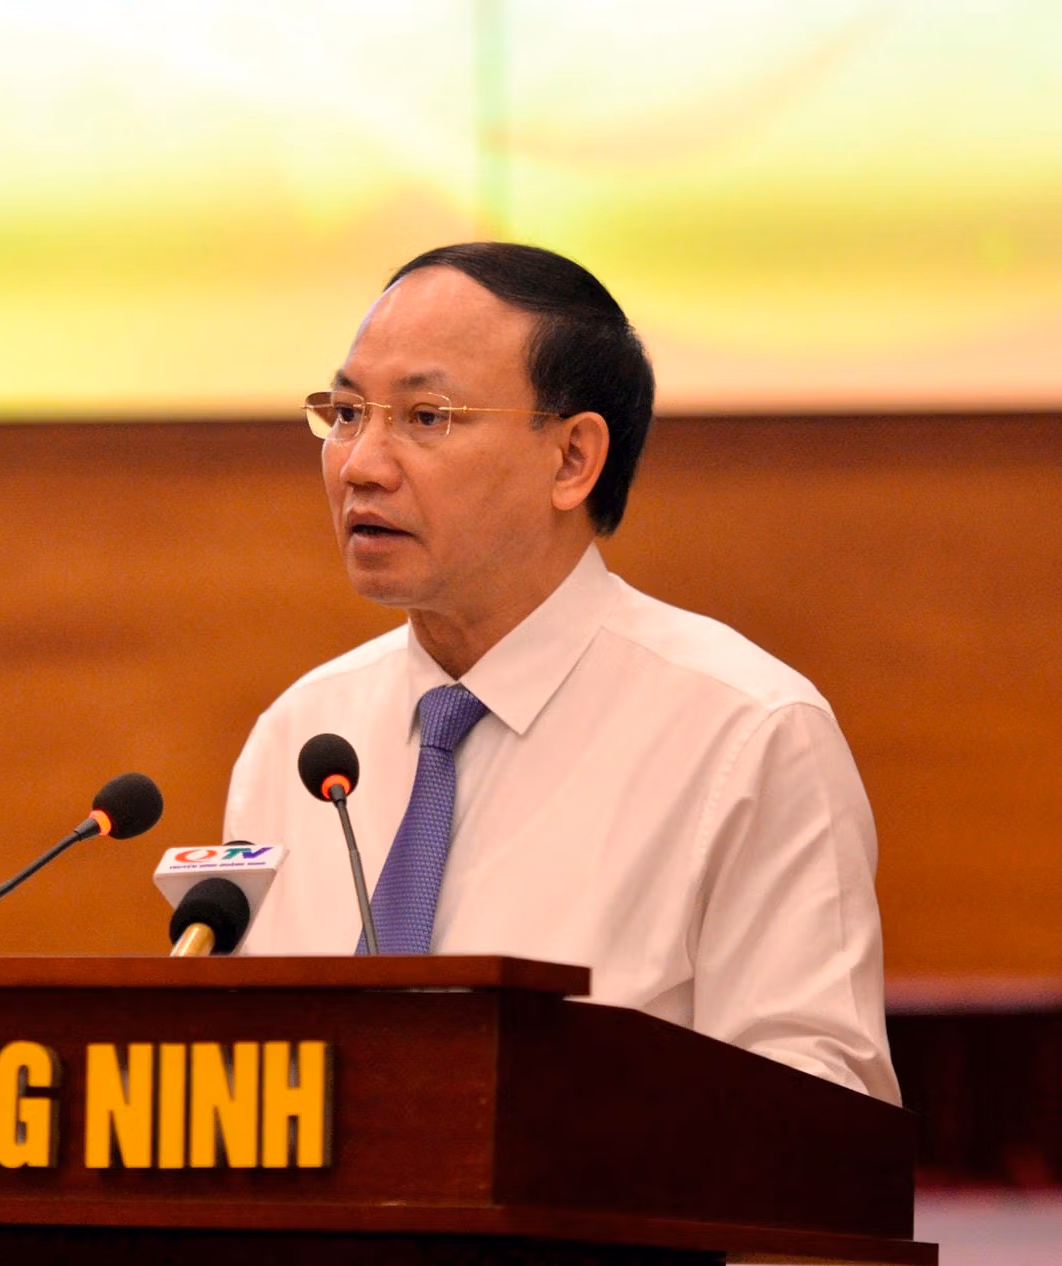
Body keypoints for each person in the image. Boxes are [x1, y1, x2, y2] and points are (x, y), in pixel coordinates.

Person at [223, 242, 899, 1104]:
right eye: (348, 412)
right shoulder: (302, 735)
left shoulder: (746, 735)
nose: (360, 464)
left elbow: (818, 1116)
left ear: (573, 459)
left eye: (426, 417)